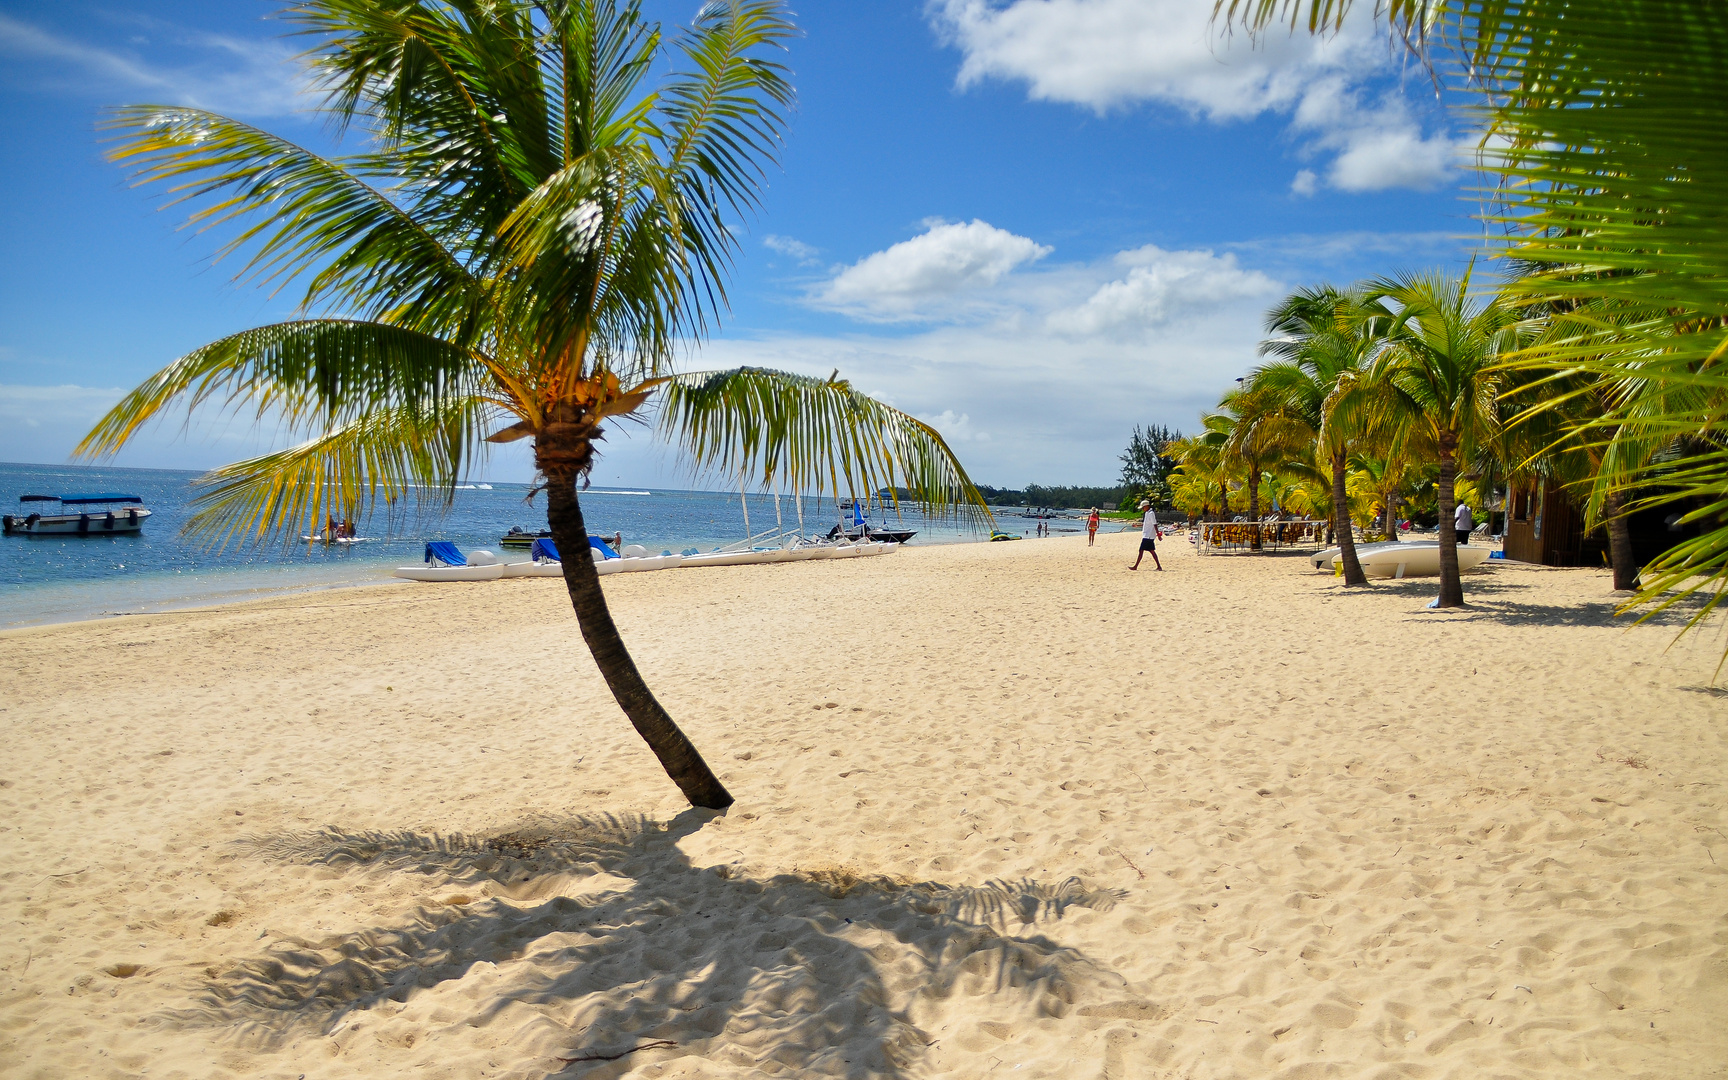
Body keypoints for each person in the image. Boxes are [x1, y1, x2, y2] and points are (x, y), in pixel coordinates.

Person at [1129, 500, 1162, 571]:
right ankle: (1158, 566)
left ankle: (1135, 566)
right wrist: (1137, 525)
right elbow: (1146, 524)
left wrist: (1158, 534)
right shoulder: (1147, 513)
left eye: (1143, 507)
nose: (1142, 509)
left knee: (1141, 550)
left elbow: (1154, 524)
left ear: (1147, 506)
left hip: (1149, 535)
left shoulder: (1151, 513)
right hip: (1146, 535)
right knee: (1151, 551)